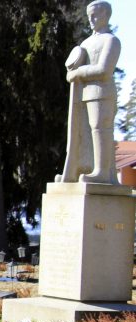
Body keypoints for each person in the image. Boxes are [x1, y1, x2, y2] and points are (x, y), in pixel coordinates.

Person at [59, 0, 120, 184]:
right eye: (89, 16)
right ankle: (76, 170)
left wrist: (77, 73)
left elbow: (104, 70)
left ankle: (102, 172)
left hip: (102, 93)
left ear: (106, 15)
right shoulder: (86, 43)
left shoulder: (112, 41)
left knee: (100, 129)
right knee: (82, 134)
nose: (91, 19)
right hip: (82, 96)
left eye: (95, 15)